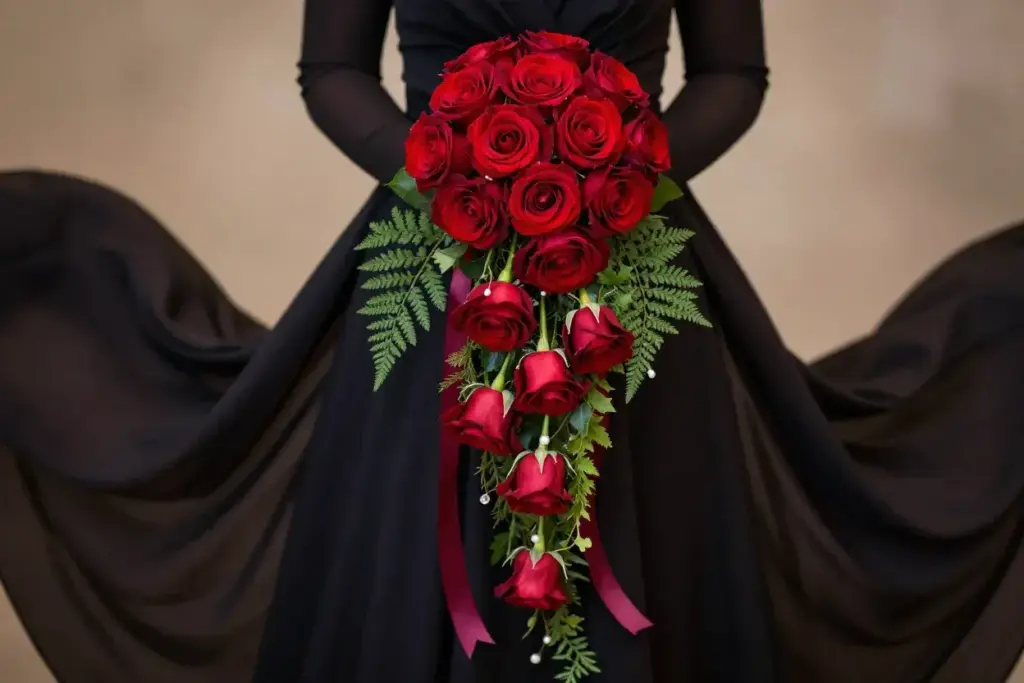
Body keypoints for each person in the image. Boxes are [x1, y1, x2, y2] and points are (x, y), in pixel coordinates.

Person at [1, 0, 1023, 681]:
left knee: (641, 547)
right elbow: (329, 71)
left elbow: (734, 76)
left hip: (631, 263)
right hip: (434, 250)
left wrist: (615, 176)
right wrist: (454, 180)